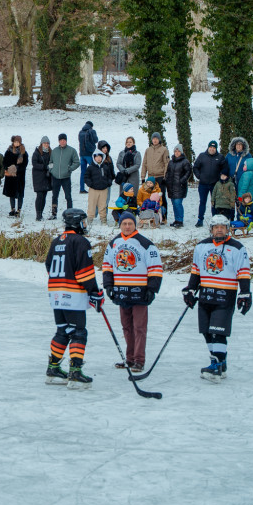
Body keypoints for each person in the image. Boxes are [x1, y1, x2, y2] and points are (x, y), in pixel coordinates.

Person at [182, 214, 252, 381]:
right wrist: (190, 289)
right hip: (206, 294)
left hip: (225, 294)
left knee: (218, 331)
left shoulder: (237, 248)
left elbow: (243, 272)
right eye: (216, 227)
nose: (219, 229)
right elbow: (196, 271)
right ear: (211, 229)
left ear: (228, 229)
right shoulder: (201, 246)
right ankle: (220, 362)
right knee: (206, 331)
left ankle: (217, 364)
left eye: (223, 226)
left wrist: (245, 293)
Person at [44, 208, 102, 388]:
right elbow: (84, 272)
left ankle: (53, 369)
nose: (85, 225)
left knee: (63, 330)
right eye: (83, 222)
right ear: (77, 223)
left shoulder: (56, 241)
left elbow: (48, 265)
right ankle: (75, 372)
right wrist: (94, 291)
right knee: (78, 331)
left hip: (55, 294)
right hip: (73, 294)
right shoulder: (81, 241)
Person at [103, 212, 163, 371]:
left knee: (139, 327)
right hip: (122, 291)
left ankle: (139, 360)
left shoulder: (144, 243)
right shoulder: (114, 243)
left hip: (140, 292)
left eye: (130, 223)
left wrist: (152, 289)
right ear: (120, 225)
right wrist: (108, 285)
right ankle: (129, 359)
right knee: (127, 327)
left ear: (135, 225)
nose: (127, 226)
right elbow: (107, 266)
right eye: (124, 224)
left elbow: (155, 268)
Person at [193, 141, 227, 227]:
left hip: (215, 184)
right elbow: (195, 167)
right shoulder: (202, 156)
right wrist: (199, 176)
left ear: (216, 149)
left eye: (214, 148)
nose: (212, 149)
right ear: (208, 148)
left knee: (214, 203)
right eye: (210, 147)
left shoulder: (220, 157)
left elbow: (224, 168)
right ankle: (200, 219)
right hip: (203, 184)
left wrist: (221, 177)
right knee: (202, 202)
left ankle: (215, 220)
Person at [48, 133, 79, 218]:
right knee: (55, 196)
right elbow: (50, 162)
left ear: (66, 140)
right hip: (55, 177)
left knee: (68, 196)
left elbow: (77, 162)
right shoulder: (54, 151)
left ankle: (70, 213)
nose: (62, 141)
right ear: (59, 141)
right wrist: (51, 170)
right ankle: (54, 214)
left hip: (66, 177)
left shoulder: (71, 150)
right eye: (61, 140)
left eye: (64, 140)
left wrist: (70, 168)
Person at [2, 135, 28, 217]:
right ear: (13, 142)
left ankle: (19, 210)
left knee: (20, 194)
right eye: (15, 142)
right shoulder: (8, 151)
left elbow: (25, 164)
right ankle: (12, 209)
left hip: (20, 176)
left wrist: (17, 169)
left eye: (18, 142)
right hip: (10, 176)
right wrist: (8, 168)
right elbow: (4, 162)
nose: (16, 143)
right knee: (11, 193)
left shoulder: (24, 152)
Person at [165, 144, 190, 227]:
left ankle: (180, 220)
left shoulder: (185, 161)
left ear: (181, 152)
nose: (177, 152)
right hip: (171, 186)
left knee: (178, 203)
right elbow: (168, 172)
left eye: (178, 151)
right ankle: (176, 220)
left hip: (180, 186)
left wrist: (182, 180)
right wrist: (167, 180)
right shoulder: (171, 162)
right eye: (175, 151)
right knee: (174, 203)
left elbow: (188, 172)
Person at [84, 149, 110, 226]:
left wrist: (108, 183)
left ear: (102, 157)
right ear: (94, 158)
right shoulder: (90, 167)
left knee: (103, 205)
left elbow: (109, 176)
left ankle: (103, 219)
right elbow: (86, 177)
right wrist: (90, 184)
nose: (98, 158)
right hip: (93, 189)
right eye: (97, 157)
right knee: (92, 205)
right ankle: (90, 219)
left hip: (103, 189)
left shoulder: (105, 167)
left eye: (100, 157)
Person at [142, 132, 169, 205]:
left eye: (156, 139)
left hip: (160, 177)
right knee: (150, 196)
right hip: (150, 177)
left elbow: (166, 163)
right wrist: (143, 177)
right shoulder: (148, 150)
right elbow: (144, 163)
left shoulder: (164, 150)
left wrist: (165, 176)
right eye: (153, 139)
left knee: (161, 197)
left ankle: (163, 215)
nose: (155, 140)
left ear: (159, 139)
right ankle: (152, 214)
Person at [31, 137, 52, 221]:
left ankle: (41, 213)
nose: (46, 145)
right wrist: (45, 167)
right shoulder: (36, 153)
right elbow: (34, 163)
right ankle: (38, 214)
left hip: (47, 177)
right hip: (38, 177)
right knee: (39, 195)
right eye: (44, 143)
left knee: (44, 196)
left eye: (47, 143)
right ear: (41, 144)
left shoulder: (51, 152)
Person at [78, 121, 98, 193]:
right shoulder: (92, 131)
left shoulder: (80, 132)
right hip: (89, 154)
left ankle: (82, 188)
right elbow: (96, 140)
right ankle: (94, 186)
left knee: (83, 172)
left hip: (82, 155)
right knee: (93, 170)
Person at [97, 140, 117, 211]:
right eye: (103, 148)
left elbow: (112, 169)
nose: (105, 149)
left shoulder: (109, 158)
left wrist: (113, 176)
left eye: (106, 148)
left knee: (107, 199)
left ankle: (105, 214)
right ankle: (95, 213)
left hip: (108, 182)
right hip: (100, 182)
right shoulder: (97, 158)